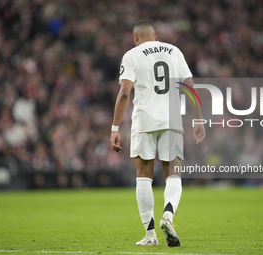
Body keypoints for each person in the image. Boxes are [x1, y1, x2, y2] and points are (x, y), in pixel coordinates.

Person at [110, 20, 205, 247]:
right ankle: (168, 217)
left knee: (143, 175)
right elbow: (190, 87)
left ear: (135, 37)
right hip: (171, 120)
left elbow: (125, 94)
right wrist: (199, 119)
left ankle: (150, 235)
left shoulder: (131, 55)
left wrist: (114, 128)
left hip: (144, 121)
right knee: (173, 173)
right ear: (155, 35)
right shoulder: (174, 51)